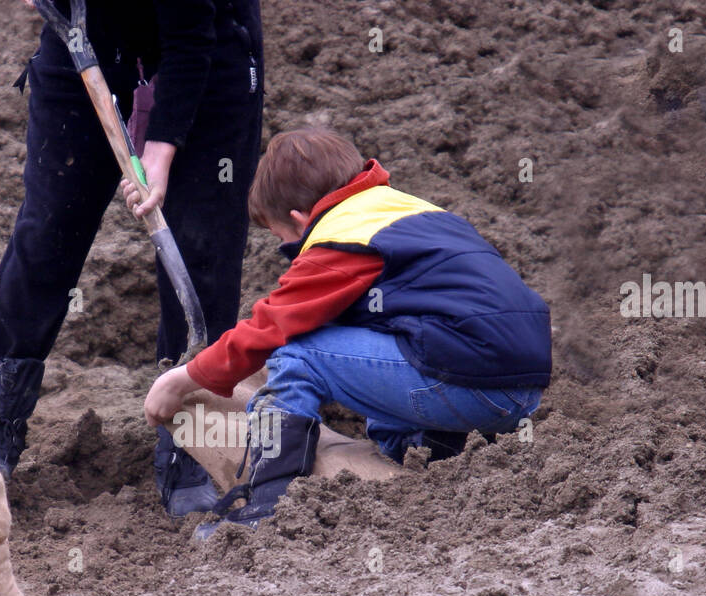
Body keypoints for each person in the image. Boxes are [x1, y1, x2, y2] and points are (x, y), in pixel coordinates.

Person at [138, 127, 552, 536]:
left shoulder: (341, 239)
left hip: (468, 385)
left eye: (283, 239)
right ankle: (423, 468)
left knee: (297, 353)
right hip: (518, 389)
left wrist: (183, 379)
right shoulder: (404, 211)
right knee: (382, 362)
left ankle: (270, 508)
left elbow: (273, 326)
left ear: (300, 219)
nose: (291, 252)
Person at [0, 0, 263, 516]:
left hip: (210, 47)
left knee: (201, 247)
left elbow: (191, 38)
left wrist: (162, 145)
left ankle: (189, 436)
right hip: (82, 33)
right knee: (49, 229)